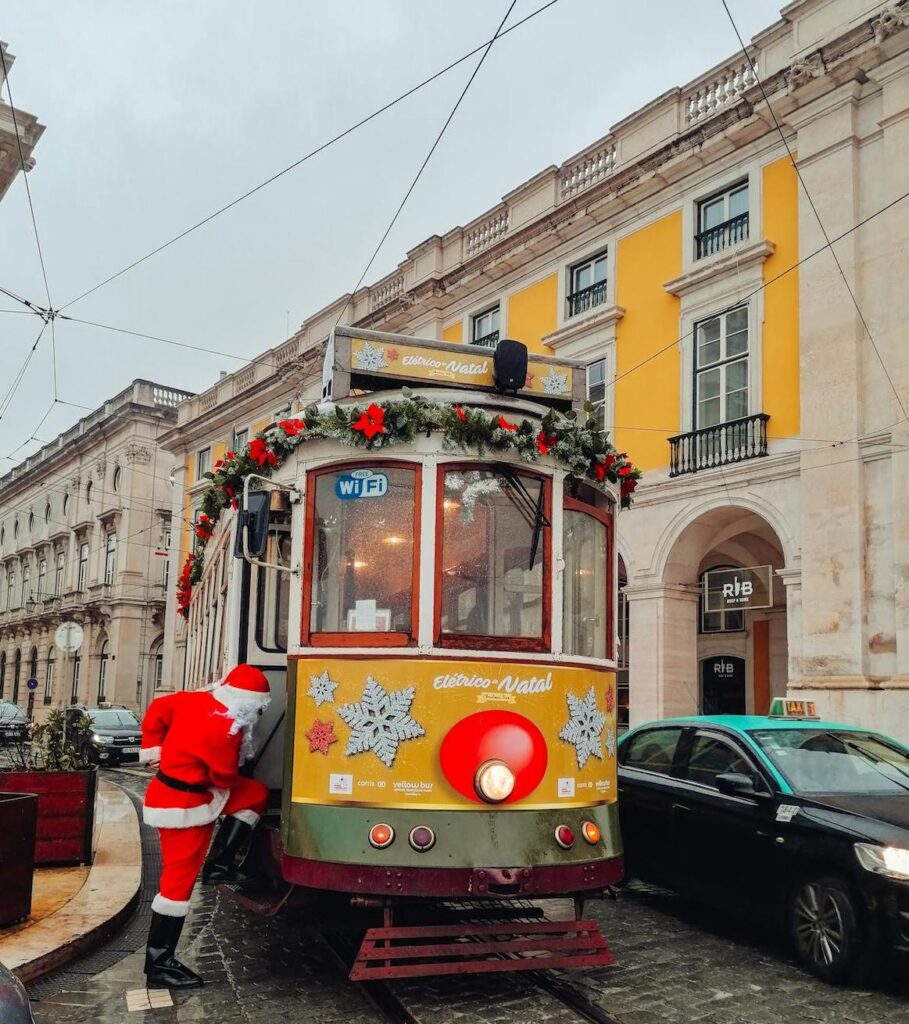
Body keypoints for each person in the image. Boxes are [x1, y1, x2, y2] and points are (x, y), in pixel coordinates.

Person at [138, 664, 271, 989]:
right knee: (176, 886)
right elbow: (223, 776)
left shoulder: (193, 700)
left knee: (254, 793)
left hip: (184, 789)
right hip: (184, 806)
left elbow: (158, 709)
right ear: (249, 705)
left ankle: (219, 866)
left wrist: (154, 749)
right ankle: (160, 963)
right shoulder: (225, 731)